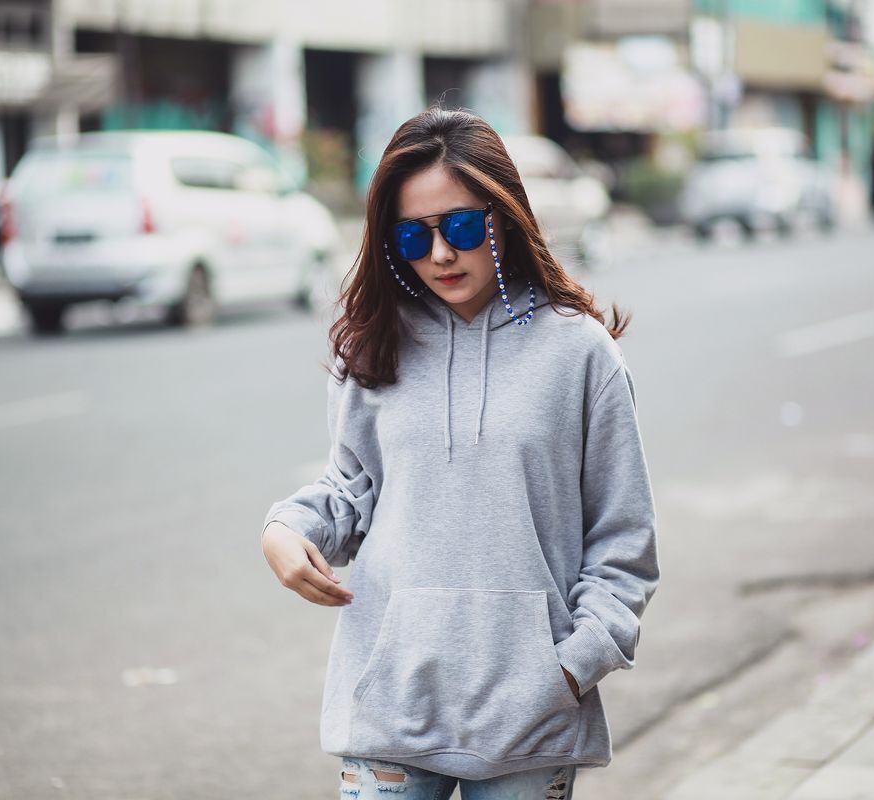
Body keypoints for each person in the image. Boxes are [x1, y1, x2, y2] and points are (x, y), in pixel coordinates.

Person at [260, 107, 659, 799]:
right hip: (390, 707)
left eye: (463, 227)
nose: (441, 254)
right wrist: (287, 530)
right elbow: (351, 489)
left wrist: (567, 668)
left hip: (528, 722)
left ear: (503, 217)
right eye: (414, 236)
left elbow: (623, 539)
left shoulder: (579, 352)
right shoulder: (374, 345)